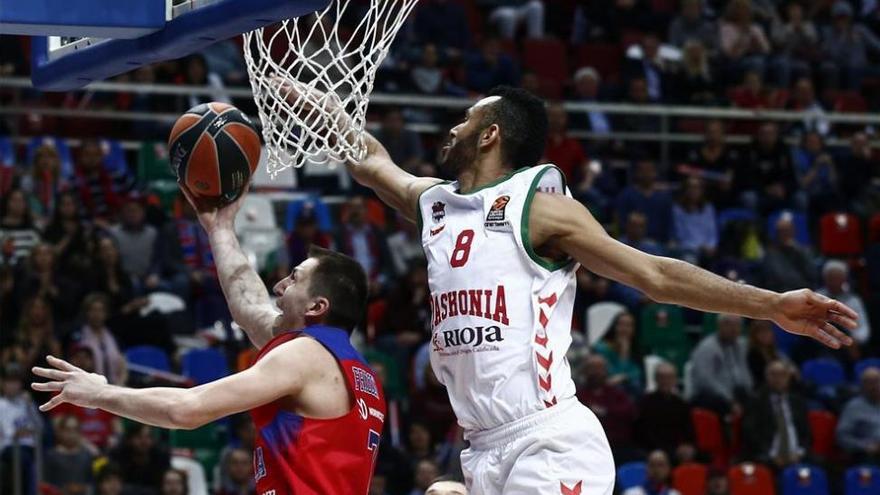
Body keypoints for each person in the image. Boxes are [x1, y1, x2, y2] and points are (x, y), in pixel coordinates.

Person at [279, 80, 857, 494]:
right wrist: (323, 104)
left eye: (466, 119)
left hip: (546, 439)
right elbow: (372, 163)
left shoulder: (542, 209)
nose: (453, 127)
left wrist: (770, 304)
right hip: (480, 447)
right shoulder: (437, 204)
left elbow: (653, 274)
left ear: (490, 136)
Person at [32, 186, 386, 494]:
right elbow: (249, 306)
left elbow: (186, 409)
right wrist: (219, 229)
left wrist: (98, 393)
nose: (279, 286)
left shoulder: (305, 357)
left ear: (316, 306)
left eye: (294, 279)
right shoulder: (350, 367)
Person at [742, 360, 811, 468]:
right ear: (767, 377)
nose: (778, 379)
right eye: (774, 374)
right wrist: (771, 456)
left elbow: (806, 433)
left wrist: (800, 453)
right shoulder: (756, 401)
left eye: (783, 375)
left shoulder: (797, 402)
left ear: (789, 378)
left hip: (796, 455)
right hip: (767, 456)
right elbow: (751, 434)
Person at [690, 314, 753, 416]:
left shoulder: (741, 345)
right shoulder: (707, 348)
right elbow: (705, 380)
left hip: (734, 391)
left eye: (737, 325)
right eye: (729, 325)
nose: (734, 329)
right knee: (720, 404)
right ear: (720, 325)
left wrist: (749, 391)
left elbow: (744, 371)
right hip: (710, 395)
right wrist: (730, 400)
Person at [635, 362, 696, 463]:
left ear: (675, 379)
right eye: (662, 377)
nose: (666, 381)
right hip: (653, 448)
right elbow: (644, 433)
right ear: (656, 379)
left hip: (678, 447)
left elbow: (689, 429)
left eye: (669, 377)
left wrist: (687, 446)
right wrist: (668, 449)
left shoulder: (681, 403)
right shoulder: (645, 403)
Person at [818, 260, 871, 346]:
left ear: (844, 279)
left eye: (837, 278)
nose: (834, 282)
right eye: (831, 278)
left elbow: (864, 331)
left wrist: (852, 340)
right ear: (824, 278)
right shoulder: (816, 297)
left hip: (850, 345)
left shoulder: (854, 300)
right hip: (821, 343)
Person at [835, 366, 880, 463]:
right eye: (870, 382)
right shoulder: (853, 407)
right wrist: (865, 446)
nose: (875, 386)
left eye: (877, 381)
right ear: (863, 385)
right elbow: (842, 437)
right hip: (869, 454)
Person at [44, 415, 96, 495]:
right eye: (67, 430)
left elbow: (92, 484)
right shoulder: (51, 456)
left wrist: (81, 488)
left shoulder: (86, 455)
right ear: (60, 432)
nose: (71, 434)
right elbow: (45, 484)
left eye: (75, 430)